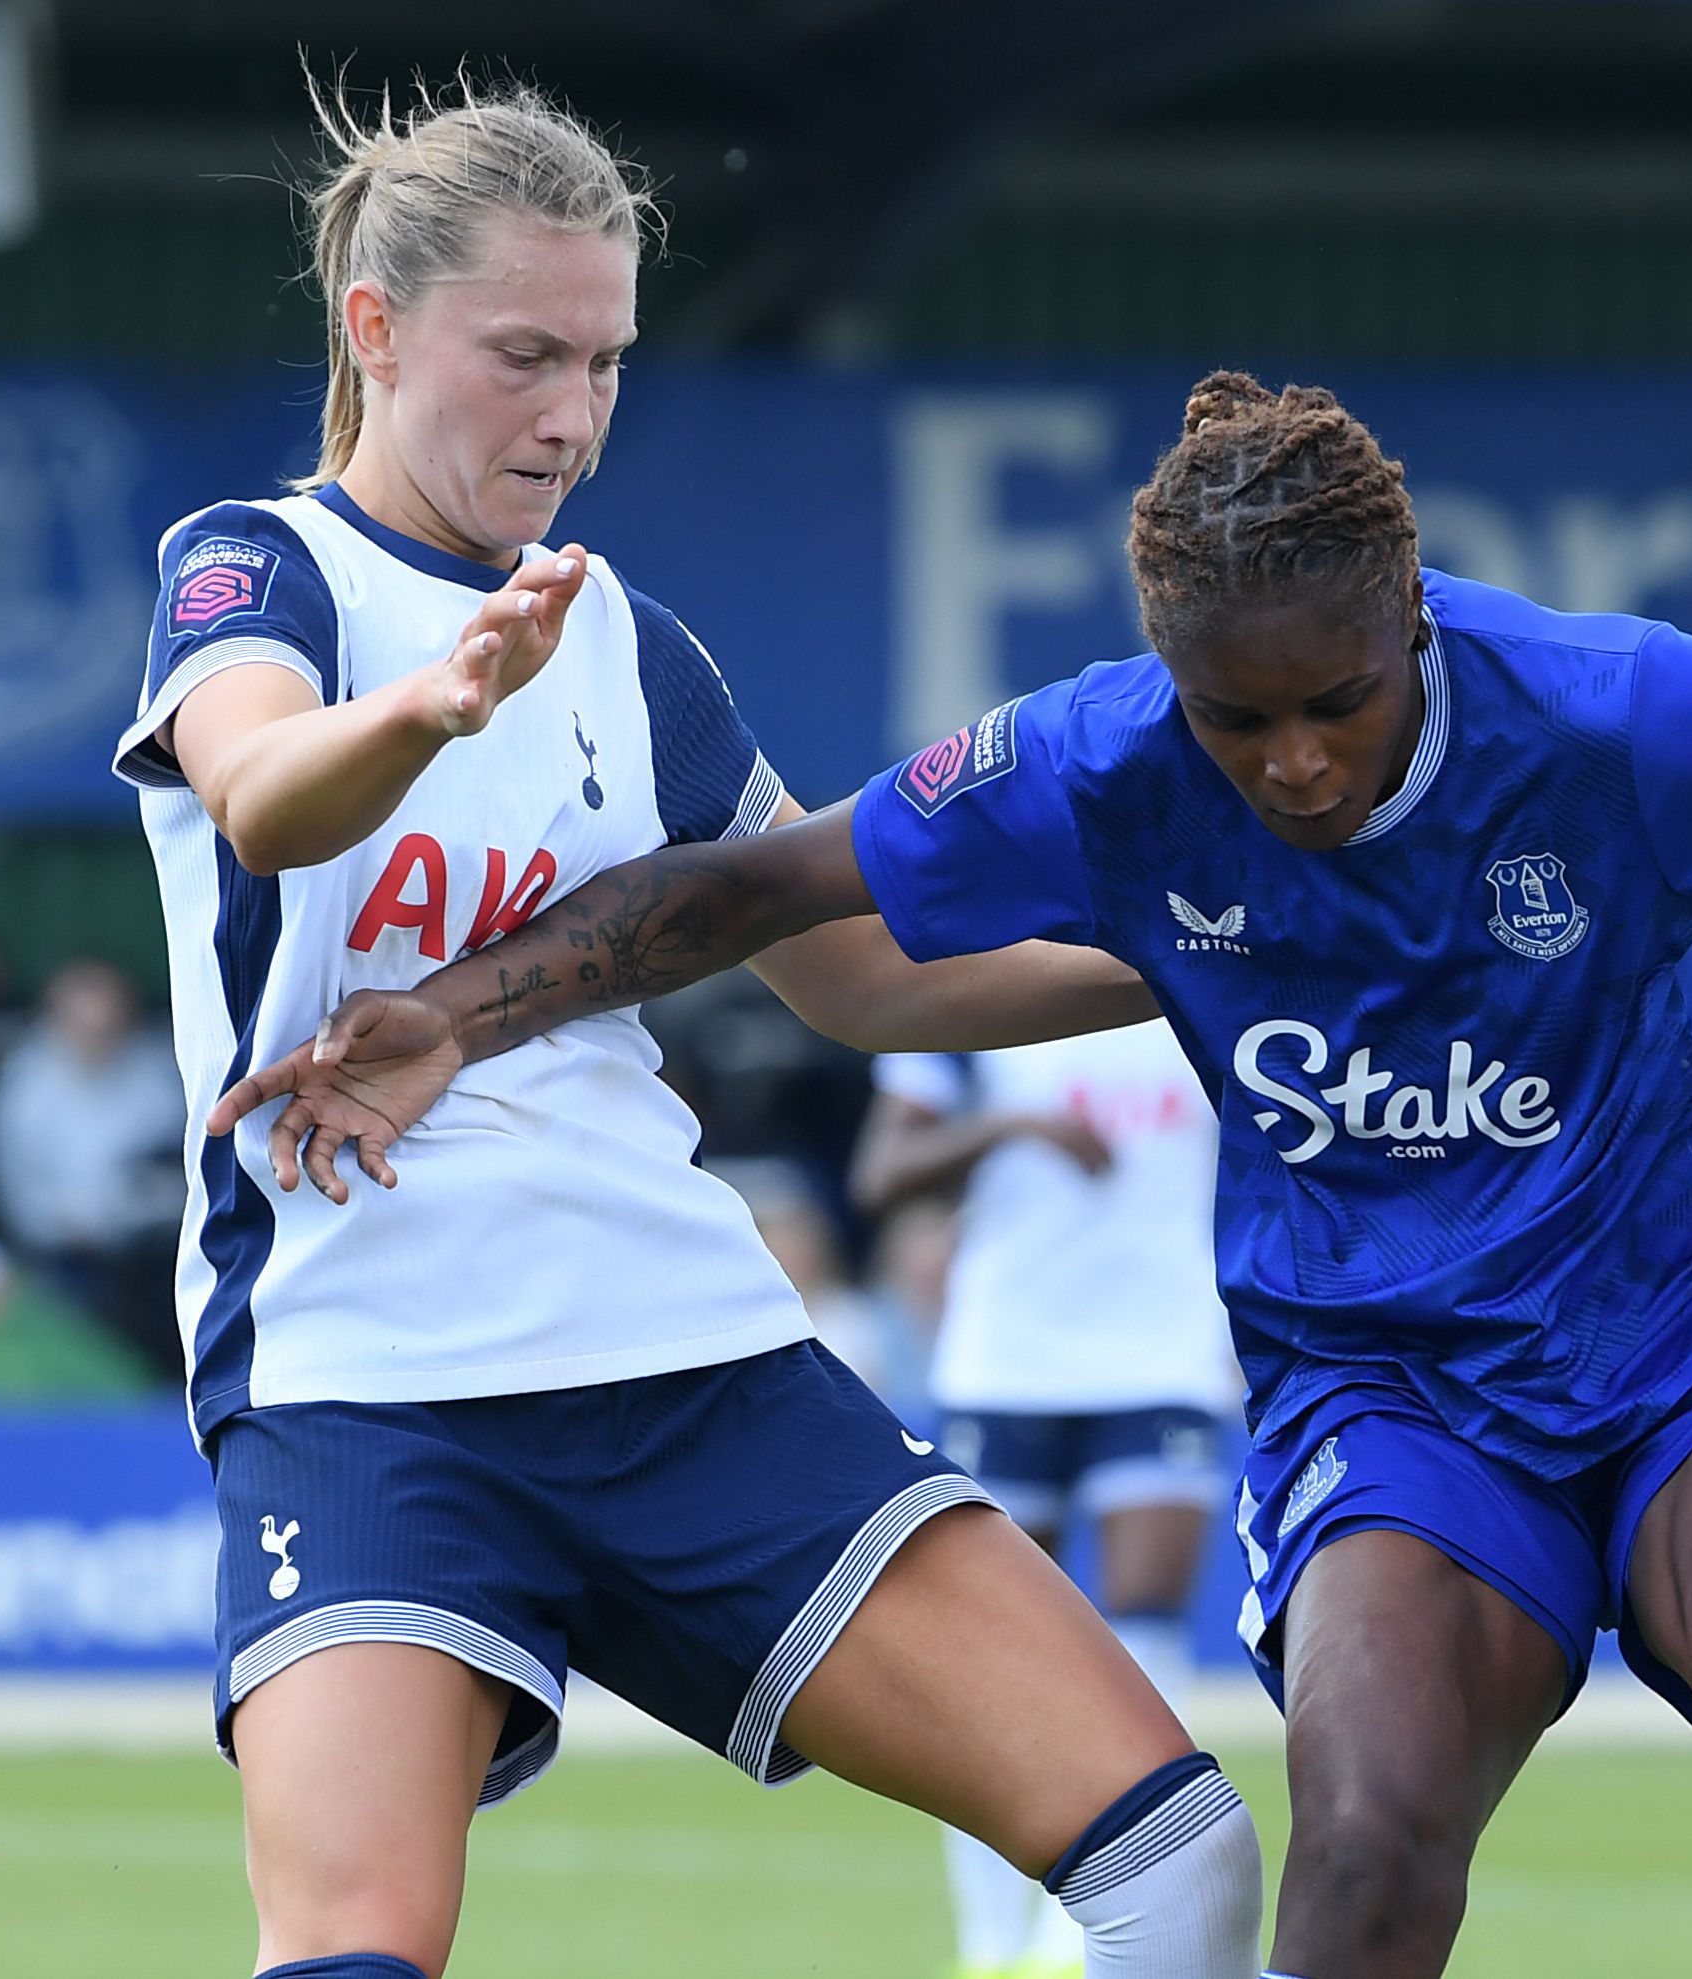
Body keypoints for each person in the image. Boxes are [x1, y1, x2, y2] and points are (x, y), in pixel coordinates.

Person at [211, 369, 1692, 1979]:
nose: (1286, 758)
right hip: (1385, 1388)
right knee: (1364, 1836)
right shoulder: (1090, 761)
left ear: (1415, 619)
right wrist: (457, 1006)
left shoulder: (1617, 713)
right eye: (1236, 718)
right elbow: (754, 886)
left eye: (1334, 701)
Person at [120, 78, 1259, 1979]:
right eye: (523, 356)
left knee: (1184, 1860)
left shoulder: (629, 643)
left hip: (691, 1354)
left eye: (605, 362)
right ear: (375, 328)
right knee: (348, 1951)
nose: (571, 415)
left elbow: (865, 974)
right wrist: (432, 705)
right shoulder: (257, 569)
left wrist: (1224, 950)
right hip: (363, 1379)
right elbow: (261, 796)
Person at [853, 1022, 1244, 1979]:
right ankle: (991, 1948)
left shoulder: (1195, 985)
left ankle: (1076, 1938)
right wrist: (1012, 1126)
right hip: (1008, 1358)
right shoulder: (980, 997)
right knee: (985, 1652)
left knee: (1143, 1624)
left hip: (1167, 1349)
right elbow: (880, 1172)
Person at [0, 956, 188, 1377]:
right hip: (61, 1257)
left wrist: (125, 1214)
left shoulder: (158, 1071)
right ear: (56, 1012)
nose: (97, 1024)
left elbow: (179, 1173)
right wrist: (82, 1223)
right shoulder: (23, 1086)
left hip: (152, 1248)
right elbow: (22, 1201)